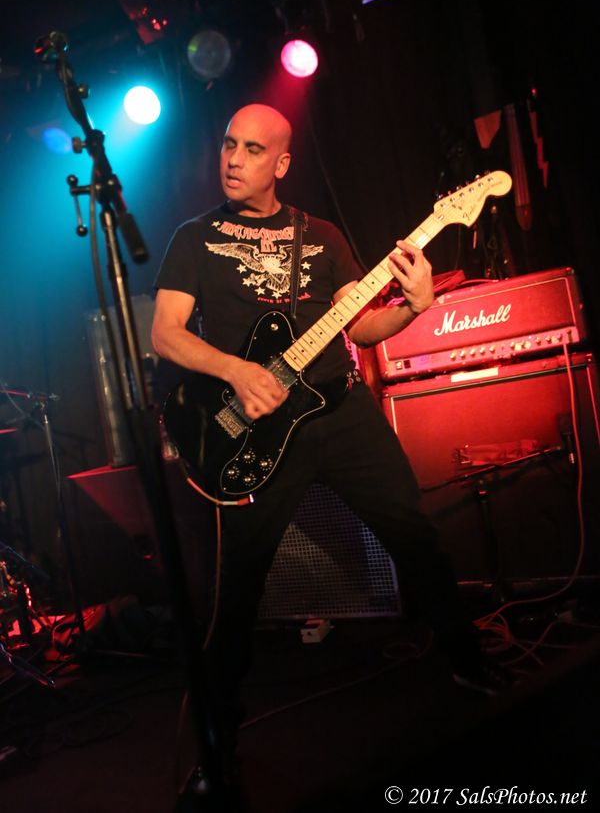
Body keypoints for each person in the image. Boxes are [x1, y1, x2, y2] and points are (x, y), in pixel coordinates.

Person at [152, 103, 505, 779]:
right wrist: (236, 372)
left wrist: (416, 306)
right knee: (237, 589)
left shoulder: (322, 236)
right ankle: (217, 743)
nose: (233, 159)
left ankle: (470, 665)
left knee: (415, 536)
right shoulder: (193, 238)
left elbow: (359, 328)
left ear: (282, 163)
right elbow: (165, 334)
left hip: (338, 411)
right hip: (252, 427)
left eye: (253, 149)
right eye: (228, 145)